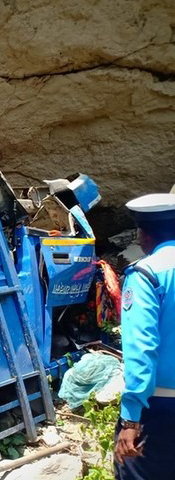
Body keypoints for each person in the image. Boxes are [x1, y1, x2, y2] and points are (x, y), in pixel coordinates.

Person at [114, 193, 175, 480]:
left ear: (143, 235)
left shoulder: (146, 275)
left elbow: (142, 348)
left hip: (160, 406)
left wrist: (130, 419)